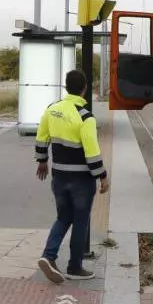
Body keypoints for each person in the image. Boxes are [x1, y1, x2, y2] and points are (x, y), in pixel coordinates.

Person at [35, 69, 109, 284]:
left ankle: (49, 256)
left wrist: (42, 161)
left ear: (66, 87)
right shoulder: (86, 117)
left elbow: (41, 137)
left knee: (63, 217)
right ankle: (75, 267)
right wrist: (102, 176)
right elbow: (92, 151)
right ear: (84, 89)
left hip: (58, 176)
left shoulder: (52, 109)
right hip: (81, 181)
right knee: (80, 221)